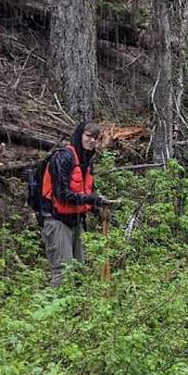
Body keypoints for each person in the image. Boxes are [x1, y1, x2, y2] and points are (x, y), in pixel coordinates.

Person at [39, 121, 114, 286]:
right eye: (88, 136)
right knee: (63, 272)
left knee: (79, 272)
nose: (92, 141)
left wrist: (98, 209)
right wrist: (91, 199)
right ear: (79, 135)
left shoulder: (86, 161)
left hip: (75, 220)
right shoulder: (64, 157)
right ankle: (52, 310)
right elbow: (62, 194)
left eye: (96, 138)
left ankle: (76, 312)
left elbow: (86, 192)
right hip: (56, 220)